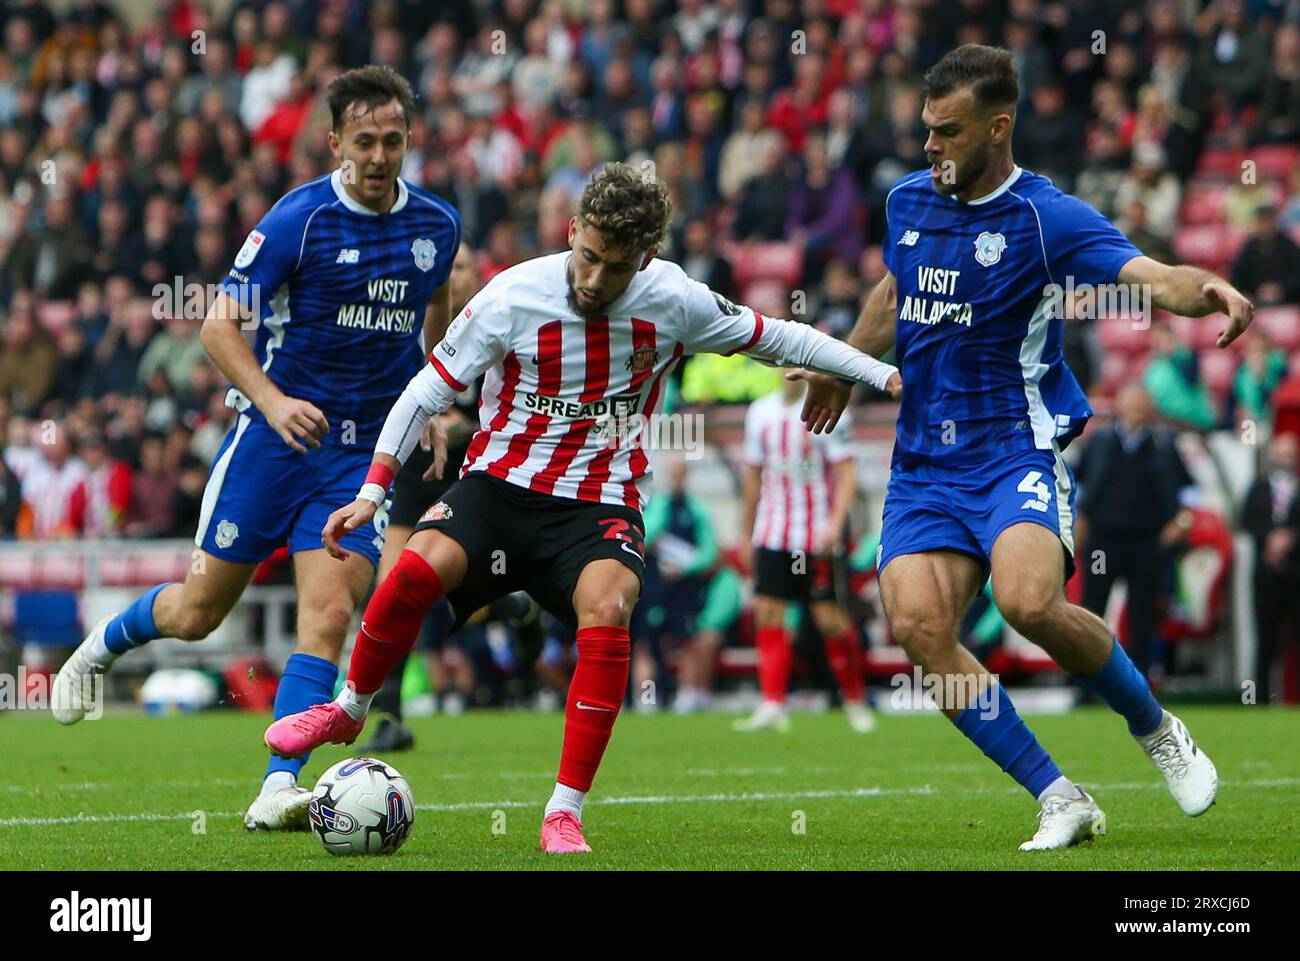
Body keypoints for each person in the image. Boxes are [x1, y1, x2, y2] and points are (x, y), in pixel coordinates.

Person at [264, 161, 901, 854]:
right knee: (414, 569)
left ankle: (564, 810)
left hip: (598, 501)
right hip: (502, 486)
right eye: (589, 256)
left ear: (647, 258)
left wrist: (880, 372)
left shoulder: (676, 300)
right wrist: (371, 492)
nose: (595, 279)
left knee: (610, 603)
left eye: (617, 267)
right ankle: (350, 707)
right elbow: (423, 392)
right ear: (572, 231)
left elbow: (783, 337)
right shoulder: (512, 296)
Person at [796, 45, 1250, 851]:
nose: (930, 146)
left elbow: (1145, 273)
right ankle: (1059, 795)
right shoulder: (908, 201)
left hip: (1013, 451)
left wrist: (1204, 286)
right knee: (917, 625)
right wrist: (846, 368)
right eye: (926, 130)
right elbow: (894, 290)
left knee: (1028, 601)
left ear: (998, 127)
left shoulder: (1047, 218)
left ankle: (1157, 728)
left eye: (948, 131)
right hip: (923, 469)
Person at [50, 65, 463, 832]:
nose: (380, 156)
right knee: (199, 611)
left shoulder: (436, 225)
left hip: (357, 455)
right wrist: (271, 402)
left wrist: (432, 402)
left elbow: (434, 311)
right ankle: (101, 647)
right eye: (365, 141)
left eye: (394, 140)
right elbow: (216, 325)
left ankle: (279, 781)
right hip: (272, 445)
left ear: (410, 140)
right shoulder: (296, 219)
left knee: (330, 612)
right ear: (336, 142)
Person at [733, 375, 875, 734]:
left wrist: (836, 524)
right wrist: (746, 532)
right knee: (768, 614)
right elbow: (752, 476)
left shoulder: (830, 410)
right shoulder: (759, 413)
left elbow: (847, 473)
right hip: (773, 531)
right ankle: (772, 704)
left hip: (816, 534)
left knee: (829, 618)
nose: (789, 372)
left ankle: (856, 700)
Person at [1074, 384, 1197, 679]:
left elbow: (1190, 489)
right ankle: (1084, 683)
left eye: (1143, 406)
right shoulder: (1100, 442)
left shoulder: (1164, 446)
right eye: (1133, 405)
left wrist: (1181, 522)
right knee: (1091, 612)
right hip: (1104, 540)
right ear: (1120, 407)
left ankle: (1140, 686)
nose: (1138, 412)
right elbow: (1075, 482)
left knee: (1143, 615)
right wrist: (1077, 517)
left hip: (1147, 540)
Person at [1241, 431, 1300, 705]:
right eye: (1282, 452)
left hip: (1295, 573)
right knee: (1265, 639)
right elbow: (1246, 520)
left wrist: (1291, 538)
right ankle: (1259, 701)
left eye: (1291, 452)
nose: (1286, 458)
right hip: (1265, 576)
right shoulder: (1258, 488)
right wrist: (1270, 538)